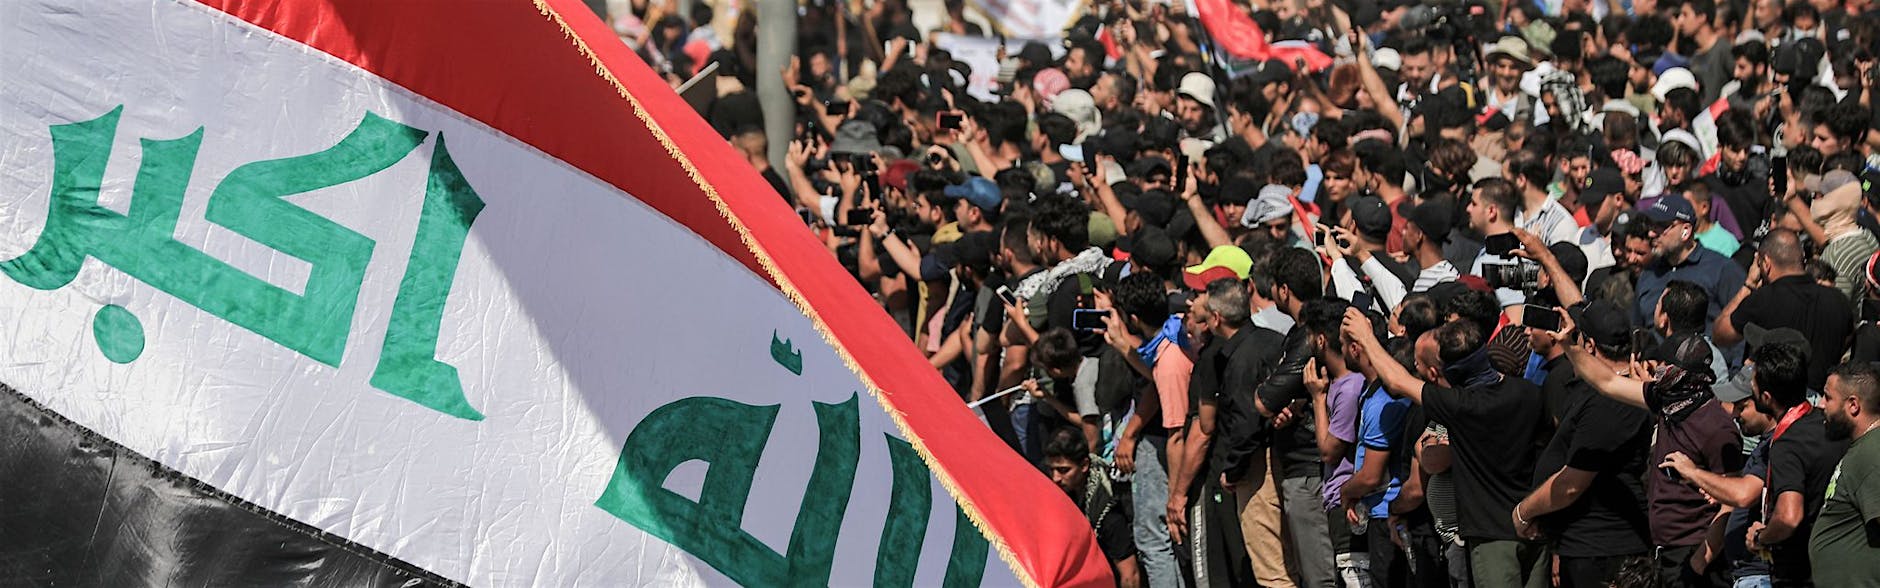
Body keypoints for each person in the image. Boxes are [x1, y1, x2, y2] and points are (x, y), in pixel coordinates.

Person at [1340, 311, 1548, 587]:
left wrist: (1366, 338)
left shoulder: (1462, 406)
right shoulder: (1529, 392)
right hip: (1535, 526)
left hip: (1493, 538)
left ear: (1438, 372)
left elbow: (1397, 381)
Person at [1515, 301, 1654, 587]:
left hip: (1602, 552)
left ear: (1589, 346)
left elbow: (1571, 485)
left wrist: (1524, 512)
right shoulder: (1609, 391)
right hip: (1585, 545)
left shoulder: (1611, 404)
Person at [1745, 343, 1848, 584]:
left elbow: (1789, 516)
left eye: (1754, 385)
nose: (1751, 387)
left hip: (1799, 572)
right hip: (1832, 562)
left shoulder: (1787, 444)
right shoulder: (1828, 425)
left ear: (1767, 398)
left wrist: (1760, 537)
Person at [1716, 229, 1857, 391]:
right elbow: (1849, 336)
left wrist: (1749, 284)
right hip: (1822, 398)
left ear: (1766, 263)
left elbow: (1721, 335)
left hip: (1776, 399)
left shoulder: (1763, 299)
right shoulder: (1838, 299)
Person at [1631, 193, 1747, 327]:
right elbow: (1637, 329)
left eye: (1661, 226)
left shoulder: (1721, 269)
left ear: (1685, 231)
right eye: (1651, 225)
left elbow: (1741, 326)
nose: (1651, 233)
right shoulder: (1648, 273)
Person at [1810, 361, 1880, 584]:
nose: (1821, 404)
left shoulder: (1872, 452)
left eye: (1828, 397)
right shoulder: (1863, 448)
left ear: (1853, 405)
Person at [1044, 426, 1142, 585]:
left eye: (1063, 470)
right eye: (1051, 469)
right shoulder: (1067, 491)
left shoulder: (1106, 509)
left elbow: (1130, 575)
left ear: (1084, 465)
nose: (1056, 478)